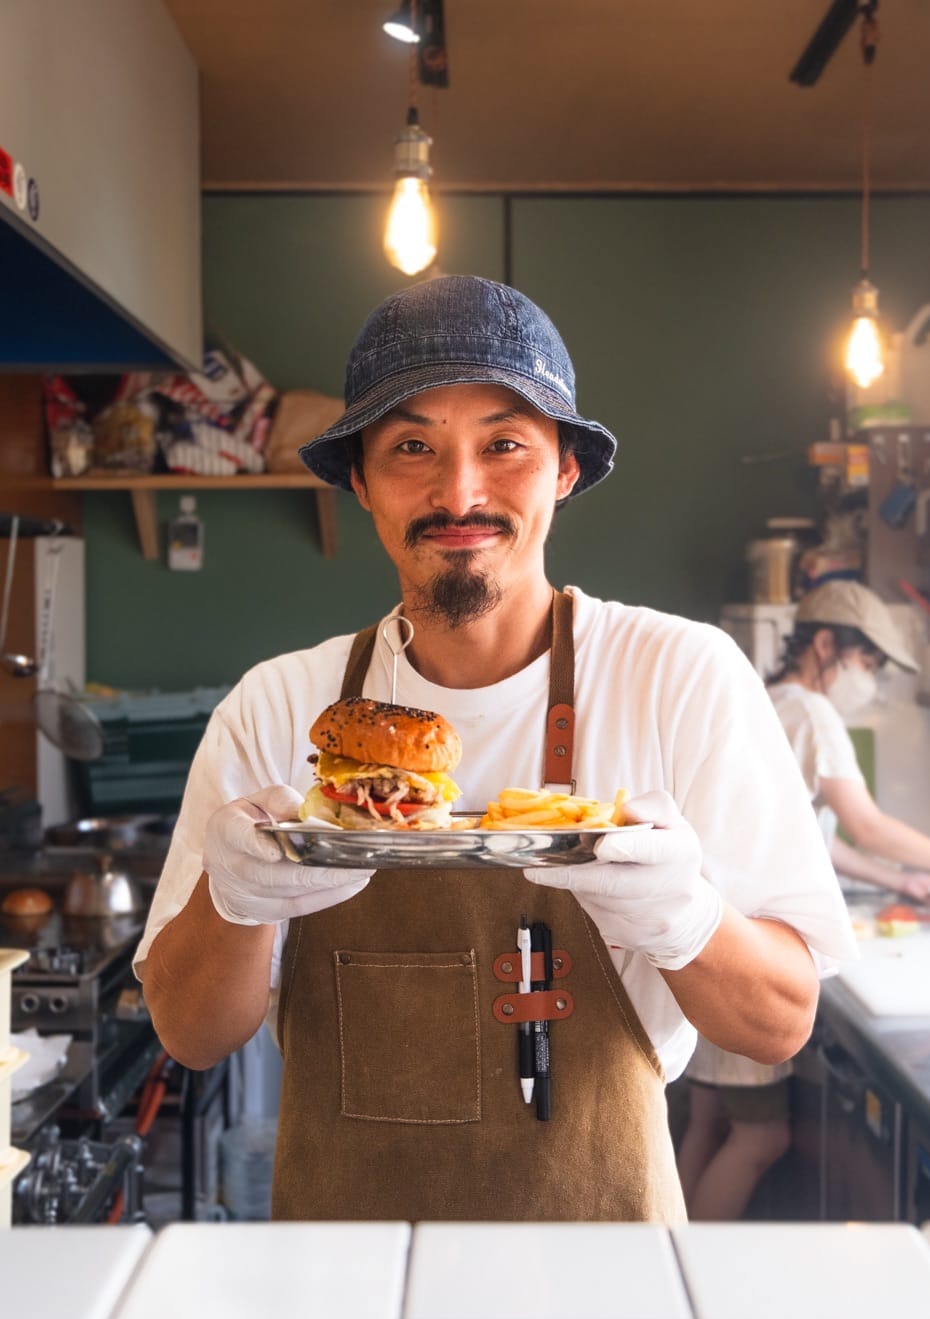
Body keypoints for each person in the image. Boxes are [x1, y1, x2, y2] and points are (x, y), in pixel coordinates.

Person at [136, 274, 856, 1224]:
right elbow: (188, 1035)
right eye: (412, 447)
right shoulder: (278, 706)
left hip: (604, 1267)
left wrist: (683, 918)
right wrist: (234, 902)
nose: (459, 492)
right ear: (360, 481)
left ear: (564, 469)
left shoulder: (680, 676)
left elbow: (777, 1024)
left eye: (504, 444)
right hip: (343, 1272)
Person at [677, 578, 930, 1220]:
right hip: (753, 948)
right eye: (866, 661)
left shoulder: (766, 700)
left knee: (705, 1124)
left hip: (709, 933)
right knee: (761, 1138)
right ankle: (697, 1263)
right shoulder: (814, 714)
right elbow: (865, 824)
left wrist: (899, 882)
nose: (868, 678)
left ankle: (668, 1255)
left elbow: (814, 838)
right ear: (825, 645)